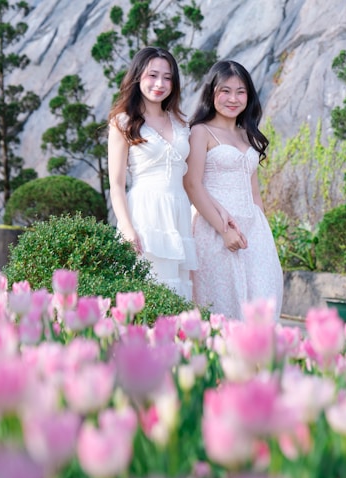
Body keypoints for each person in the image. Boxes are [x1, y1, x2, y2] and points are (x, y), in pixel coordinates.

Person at [184, 60, 284, 320]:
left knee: (262, 301)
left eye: (240, 91)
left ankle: (257, 359)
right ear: (212, 93)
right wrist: (224, 230)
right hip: (214, 228)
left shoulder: (248, 134)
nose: (233, 98)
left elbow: (254, 193)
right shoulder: (200, 132)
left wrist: (264, 235)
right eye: (225, 91)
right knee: (224, 305)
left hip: (254, 230)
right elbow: (192, 185)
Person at [107, 47, 197, 299]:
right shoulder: (123, 122)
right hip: (144, 213)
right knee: (144, 290)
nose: (160, 84)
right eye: (152, 75)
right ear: (137, 77)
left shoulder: (183, 124)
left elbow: (192, 181)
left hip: (179, 213)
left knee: (176, 294)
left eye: (167, 77)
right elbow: (116, 184)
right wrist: (126, 226)